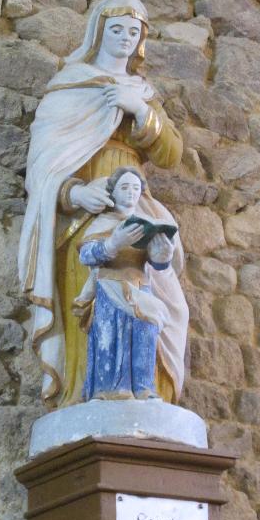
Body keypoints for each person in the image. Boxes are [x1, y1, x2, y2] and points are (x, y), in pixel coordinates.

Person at [17, 0, 188, 408]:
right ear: (98, 32)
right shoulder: (70, 86)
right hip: (84, 216)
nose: (126, 39)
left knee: (164, 299)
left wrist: (142, 112)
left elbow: (171, 154)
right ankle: (86, 399)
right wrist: (74, 192)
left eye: (134, 32)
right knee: (94, 307)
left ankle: (150, 397)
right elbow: (41, 165)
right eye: (117, 29)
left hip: (134, 203)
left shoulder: (141, 92)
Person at [75, 167, 176, 401]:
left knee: (145, 334)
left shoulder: (146, 224)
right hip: (110, 288)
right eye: (124, 187)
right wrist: (113, 244)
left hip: (141, 289)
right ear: (113, 192)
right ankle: (109, 389)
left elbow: (157, 265)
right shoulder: (104, 222)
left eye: (135, 188)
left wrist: (163, 256)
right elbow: (86, 256)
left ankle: (144, 388)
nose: (131, 192)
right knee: (111, 336)